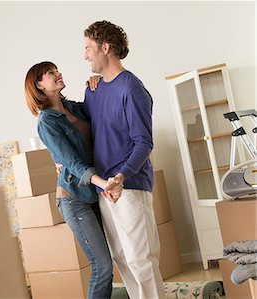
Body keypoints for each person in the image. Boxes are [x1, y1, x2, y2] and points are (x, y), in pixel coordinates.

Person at [24, 61, 123, 299]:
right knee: (102, 265)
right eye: (51, 73)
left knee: (108, 263)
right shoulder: (47, 122)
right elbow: (73, 164)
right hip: (74, 200)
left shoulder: (73, 108)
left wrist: (93, 86)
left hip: (93, 193)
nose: (58, 74)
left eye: (57, 70)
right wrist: (103, 183)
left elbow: (99, 111)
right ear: (38, 85)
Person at [83, 20, 166, 299]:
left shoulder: (132, 89)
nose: (85, 56)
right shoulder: (93, 90)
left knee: (141, 261)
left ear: (105, 48)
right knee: (122, 258)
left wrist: (121, 177)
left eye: (88, 48)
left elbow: (144, 143)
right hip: (104, 188)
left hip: (128, 185)